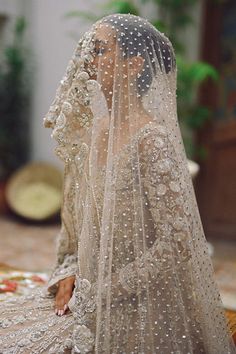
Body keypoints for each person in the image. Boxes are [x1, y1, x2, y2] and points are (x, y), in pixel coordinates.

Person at [0, 13, 235, 354]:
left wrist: (105, 291)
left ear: (134, 64)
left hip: (142, 305)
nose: (86, 59)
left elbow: (178, 242)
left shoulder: (151, 141)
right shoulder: (95, 133)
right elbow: (79, 228)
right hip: (90, 291)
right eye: (87, 49)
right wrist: (71, 272)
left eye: (98, 50)